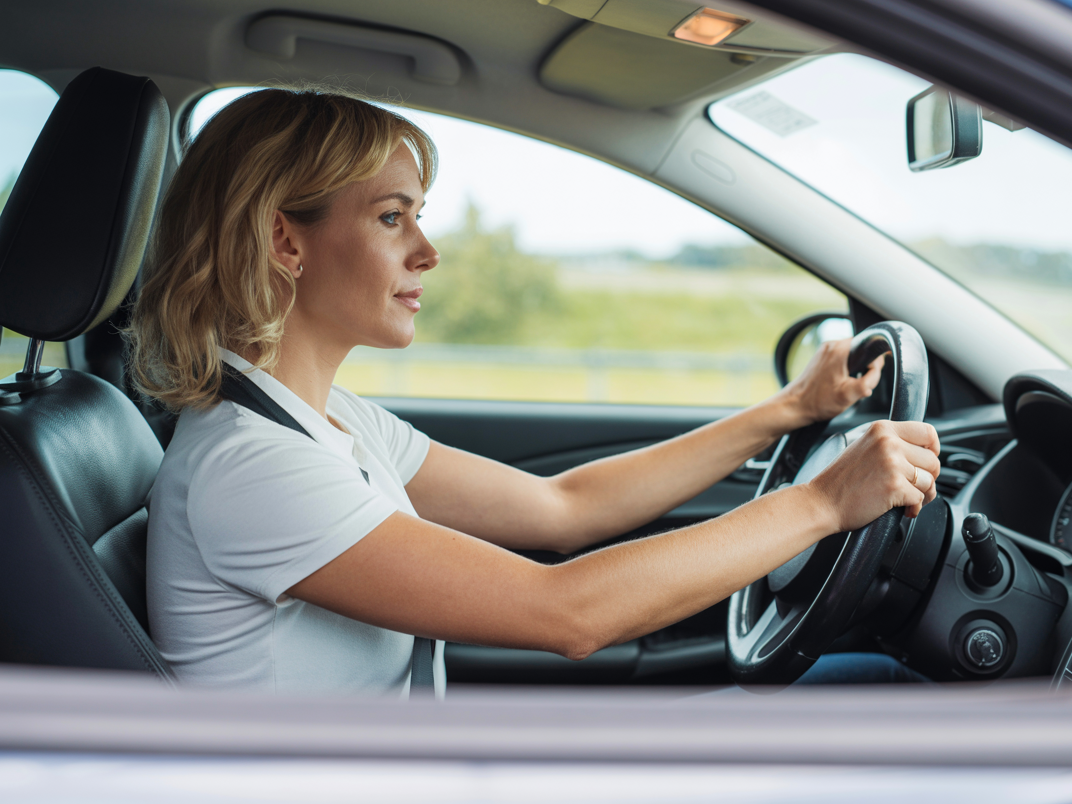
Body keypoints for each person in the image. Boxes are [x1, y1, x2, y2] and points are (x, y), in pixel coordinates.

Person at [131, 88, 940, 697]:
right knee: (866, 698)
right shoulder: (251, 467)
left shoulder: (326, 421)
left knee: (852, 684)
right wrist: (823, 504)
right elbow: (569, 613)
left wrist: (788, 413)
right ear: (284, 240)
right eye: (391, 217)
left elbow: (564, 508)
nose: (427, 251)